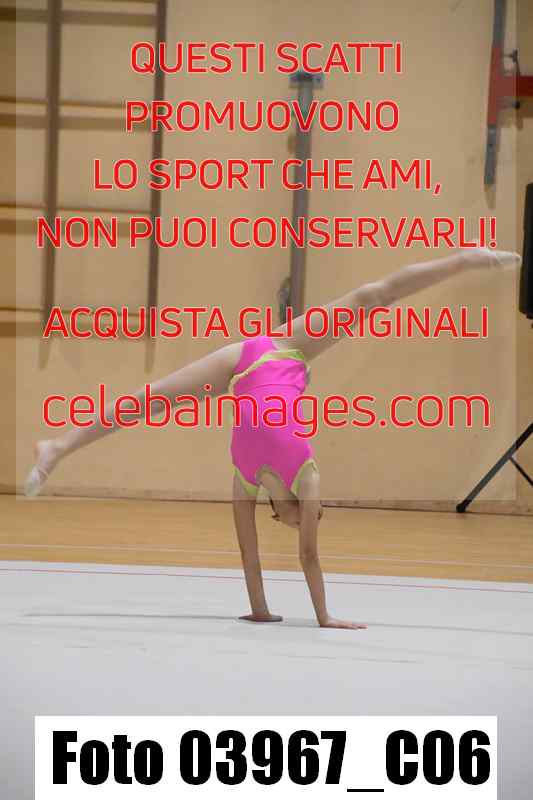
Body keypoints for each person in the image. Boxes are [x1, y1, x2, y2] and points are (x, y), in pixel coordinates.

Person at [25, 246, 520, 628]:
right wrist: (324, 617)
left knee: (152, 400)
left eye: (303, 518)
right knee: (373, 296)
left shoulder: (245, 479)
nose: (307, 518)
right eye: (312, 515)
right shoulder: (307, 474)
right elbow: (309, 556)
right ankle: (466, 259)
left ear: (281, 513)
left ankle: (58, 446)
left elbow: (249, 554)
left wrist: (261, 610)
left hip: (241, 365)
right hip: (287, 350)